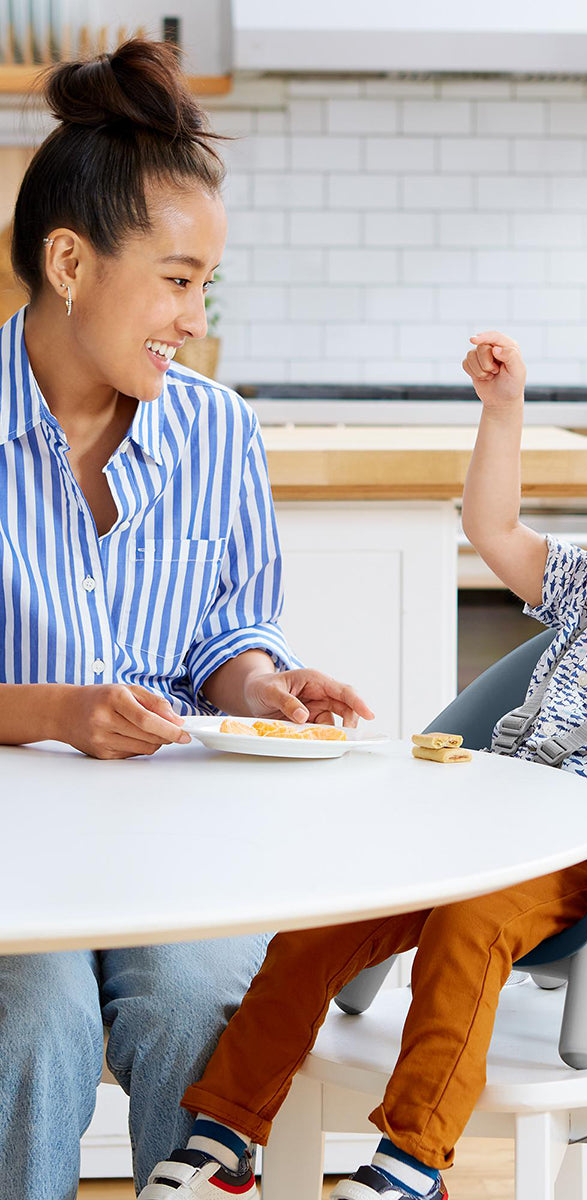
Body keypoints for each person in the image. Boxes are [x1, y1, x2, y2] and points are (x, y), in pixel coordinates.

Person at [137, 333, 587, 1200]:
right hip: (484, 822)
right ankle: (225, 1133)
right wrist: (503, 411)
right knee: (318, 922)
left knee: (468, 929)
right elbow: (492, 528)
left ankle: (415, 1161)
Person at [0, 40, 372, 1200]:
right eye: (175, 278)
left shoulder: (215, 431)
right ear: (70, 261)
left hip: (171, 839)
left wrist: (260, 681)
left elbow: (223, 634)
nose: (194, 317)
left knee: (198, 998)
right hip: (13, 849)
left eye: (207, 284)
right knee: (34, 1013)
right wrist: (56, 711)